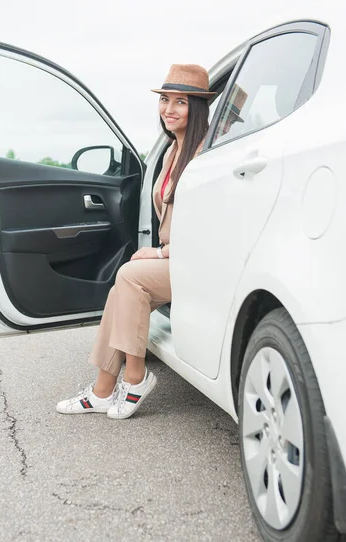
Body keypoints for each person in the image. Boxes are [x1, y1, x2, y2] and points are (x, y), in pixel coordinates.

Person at [56, 64, 213, 420]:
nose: (169, 109)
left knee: (129, 275)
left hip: (197, 260)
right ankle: (101, 390)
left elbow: (205, 226)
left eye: (181, 102)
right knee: (121, 288)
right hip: (175, 259)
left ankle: (136, 377)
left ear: (199, 108)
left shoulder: (204, 156)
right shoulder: (174, 151)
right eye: (165, 100)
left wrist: (159, 252)